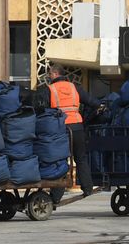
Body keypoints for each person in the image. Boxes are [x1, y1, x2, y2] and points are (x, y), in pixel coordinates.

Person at [40, 64, 95, 194]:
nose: (49, 76)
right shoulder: (75, 87)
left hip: (61, 128)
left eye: (50, 74)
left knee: (60, 160)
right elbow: (92, 102)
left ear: (55, 74)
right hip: (77, 126)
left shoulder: (50, 89)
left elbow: (43, 109)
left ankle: (56, 195)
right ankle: (87, 188)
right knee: (81, 158)